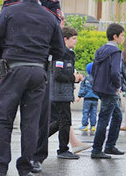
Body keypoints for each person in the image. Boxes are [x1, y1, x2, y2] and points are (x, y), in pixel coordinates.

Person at [0, 0, 64, 176]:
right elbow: (60, 50)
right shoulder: (50, 17)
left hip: (13, 70)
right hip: (38, 72)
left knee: (3, 119)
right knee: (31, 122)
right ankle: (26, 166)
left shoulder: (10, 11)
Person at [90, 23, 125, 159]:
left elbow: (94, 69)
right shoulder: (115, 52)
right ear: (115, 37)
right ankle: (97, 149)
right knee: (104, 119)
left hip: (100, 87)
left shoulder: (100, 50)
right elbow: (115, 72)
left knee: (117, 116)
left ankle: (110, 145)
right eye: (121, 35)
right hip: (110, 89)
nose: (123, 38)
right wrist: (118, 86)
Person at [48, 26, 84, 159]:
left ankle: (38, 140)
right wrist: (73, 78)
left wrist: (74, 78)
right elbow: (57, 75)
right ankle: (62, 149)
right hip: (60, 93)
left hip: (64, 92)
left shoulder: (68, 53)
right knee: (64, 121)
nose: (76, 41)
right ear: (65, 39)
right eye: (73, 39)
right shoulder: (61, 54)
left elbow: (65, 72)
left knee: (62, 120)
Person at [77, 62, 99, 131]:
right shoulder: (97, 79)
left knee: (86, 111)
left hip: (87, 98)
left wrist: (79, 96)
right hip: (95, 98)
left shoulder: (86, 79)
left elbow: (82, 88)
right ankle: (93, 126)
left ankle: (84, 125)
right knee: (94, 112)